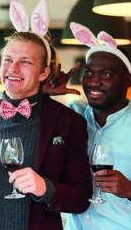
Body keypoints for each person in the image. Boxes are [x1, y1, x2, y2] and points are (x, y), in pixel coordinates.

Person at [0, 0, 92, 230]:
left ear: (44, 73)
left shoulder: (69, 122)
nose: (13, 69)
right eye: (8, 59)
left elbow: (82, 197)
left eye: (25, 62)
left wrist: (45, 188)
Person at [47, 22, 131, 230]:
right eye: (89, 72)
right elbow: (31, 130)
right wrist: (44, 94)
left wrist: (130, 190)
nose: (93, 82)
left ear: (128, 80)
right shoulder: (73, 115)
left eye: (106, 75)